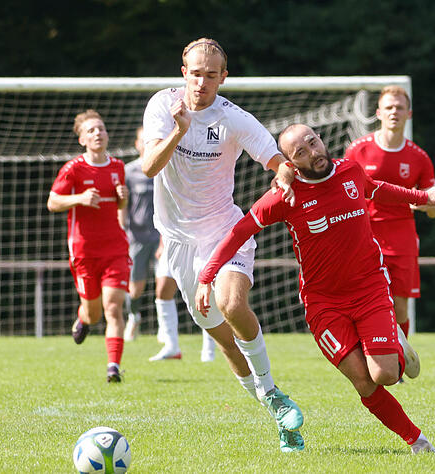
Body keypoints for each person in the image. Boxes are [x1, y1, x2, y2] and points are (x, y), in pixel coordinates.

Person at [196, 124, 435, 454]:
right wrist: (208, 276)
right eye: (301, 152)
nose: (313, 152)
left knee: (385, 376)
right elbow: (239, 233)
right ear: (290, 164)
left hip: (369, 291)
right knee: (362, 381)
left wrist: (423, 197)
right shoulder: (283, 197)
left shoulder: (350, 170)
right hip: (324, 304)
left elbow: (376, 189)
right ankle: (417, 441)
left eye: (314, 142)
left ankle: (393, 342)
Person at [141, 37, 304, 452]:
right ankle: (275, 410)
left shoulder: (233, 118)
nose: (202, 82)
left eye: (211, 75)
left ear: (223, 77)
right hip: (178, 241)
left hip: (224, 231)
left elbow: (277, 161)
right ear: (183, 73)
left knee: (233, 306)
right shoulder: (163, 106)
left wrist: (283, 176)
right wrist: (180, 130)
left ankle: (274, 394)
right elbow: (148, 167)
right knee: (222, 338)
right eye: (195, 74)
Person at [345, 85, 435, 363]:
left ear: (408, 114)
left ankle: (398, 361)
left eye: (399, 107)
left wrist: (425, 204)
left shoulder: (418, 157)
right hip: (364, 239)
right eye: (388, 107)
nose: (394, 112)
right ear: (378, 113)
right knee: (366, 303)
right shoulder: (358, 150)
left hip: (401, 239)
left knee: (400, 307)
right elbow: (342, 191)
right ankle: (367, 357)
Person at [120, 126, 216, 362]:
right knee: (160, 289)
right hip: (151, 238)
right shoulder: (131, 171)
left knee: (198, 292)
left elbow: (178, 205)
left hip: (183, 237)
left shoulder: (174, 167)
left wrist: (165, 237)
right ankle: (171, 346)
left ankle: (210, 349)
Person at [47, 109, 130, 383]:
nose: (98, 133)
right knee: (94, 314)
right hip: (84, 251)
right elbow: (53, 202)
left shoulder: (118, 166)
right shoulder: (73, 169)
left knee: (113, 307)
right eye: (91, 130)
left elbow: (119, 207)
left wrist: (122, 199)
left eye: (101, 129)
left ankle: (113, 367)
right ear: (82, 139)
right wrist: (79, 198)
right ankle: (83, 319)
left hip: (115, 248)